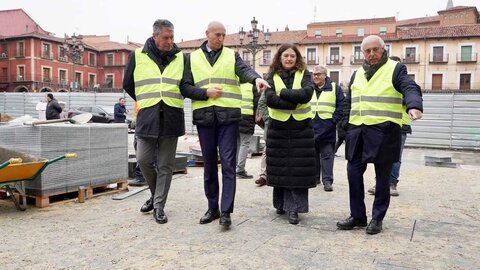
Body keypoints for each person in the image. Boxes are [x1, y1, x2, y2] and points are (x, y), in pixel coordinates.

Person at [182, 21, 270, 228]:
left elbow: (245, 71)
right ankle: (212, 208)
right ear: (207, 34)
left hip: (228, 119)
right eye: (217, 35)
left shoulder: (232, 56)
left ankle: (226, 212)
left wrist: (256, 79)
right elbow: (184, 87)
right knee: (209, 165)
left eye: (223, 35)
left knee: (229, 165)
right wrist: (205, 93)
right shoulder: (192, 58)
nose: (221, 39)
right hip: (204, 118)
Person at [336, 35, 423, 234]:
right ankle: (357, 216)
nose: (372, 54)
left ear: (383, 50)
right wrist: (344, 125)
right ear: (362, 53)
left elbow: (410, 87)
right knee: (353, 173)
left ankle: (377, 218)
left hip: (383, 131)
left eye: (376, 49)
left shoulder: (395, 69)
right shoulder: (356, 73)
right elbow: (350, 101)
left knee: (382, 177)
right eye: (367, 51)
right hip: (357, 132)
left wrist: (414, 105)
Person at [123, 19, 188, 224]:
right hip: (147, 116)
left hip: (171, 116)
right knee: (143, 159)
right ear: (155, 36)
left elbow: (185, 85)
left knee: (165, 165)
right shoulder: (137, 55)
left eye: (172, 37)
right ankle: (155, 195)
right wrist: (146, 100)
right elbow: (128, 84)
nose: (170, 42)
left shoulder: (181, 58)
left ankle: (159, 205)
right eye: (165, 38)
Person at [265, 43, 316, 225]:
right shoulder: (271, 75)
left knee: (298, 169)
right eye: (285, 55)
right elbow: (270, 100)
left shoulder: (305, 74)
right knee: (280, 167)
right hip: (278, 129)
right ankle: (280, 204)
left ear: (297, 58)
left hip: (301, 128)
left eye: (292, 56)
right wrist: (294, 101)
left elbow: (307, 94)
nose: (289, 59)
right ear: (280, 57)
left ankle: (294, 208)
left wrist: (283, 93)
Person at [368, 56, 411, 197]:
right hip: (381, 124)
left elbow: (408, 96)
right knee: (380, 157)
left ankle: (392, 184)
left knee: (395, 157)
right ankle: (379, 183)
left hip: (400, 124)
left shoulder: (404, 82)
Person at [311, 65, 345, 192]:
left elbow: (341, 105)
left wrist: (333, 120)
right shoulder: (309, 88)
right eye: (314, 74)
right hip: (312, 125)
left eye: (318, 74)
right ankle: (315, 178)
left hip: (328, 127)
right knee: (313, 155)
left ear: (325, 75)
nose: (315, 77)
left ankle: (327, 181)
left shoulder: (335, 88)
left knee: (327, 156)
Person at [236, 83, 260, 179]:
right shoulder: (252, 86)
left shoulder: (236, 83)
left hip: (234, 116)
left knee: (237, 143)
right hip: (247, 117)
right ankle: (240, 169)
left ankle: (234, 168)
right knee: (245, 143)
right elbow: (257, 104)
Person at [128, 101, 147, 187]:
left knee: (141, 149)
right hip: (140, 122)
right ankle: (143, 176)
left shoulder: (143, 91)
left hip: (143, 122)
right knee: (138, 147)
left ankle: (141, 177)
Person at [254, 91, 269, 187]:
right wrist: (267, 118)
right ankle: (264, 176)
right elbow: (261, 102)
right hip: (272, 124)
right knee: (267, 149)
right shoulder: (271, 83)